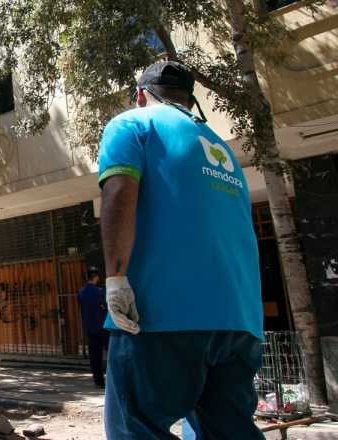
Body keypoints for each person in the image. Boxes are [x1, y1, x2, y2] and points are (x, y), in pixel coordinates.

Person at [98, 60, 264, 439]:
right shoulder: (220, 148)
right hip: (238, 323)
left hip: (160, 316)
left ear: (140, 95)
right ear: (190, 99)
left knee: (135, 426)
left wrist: (115, 277)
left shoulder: (131, 124)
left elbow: (120, 192)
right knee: (230, 430)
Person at [77, 267, 108, 388]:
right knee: (110, 353)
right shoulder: (100, 292)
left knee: (95, 356)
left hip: (89, 328)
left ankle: (98, 381)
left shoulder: (81, 292)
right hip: (103, 327)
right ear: (96, 277)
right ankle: (112, 379)